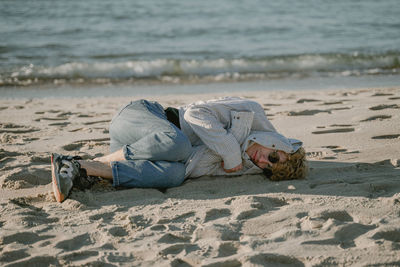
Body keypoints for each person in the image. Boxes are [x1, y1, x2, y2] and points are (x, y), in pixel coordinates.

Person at [51, 97, 307, 203]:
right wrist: (229, 150)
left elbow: (192, 167)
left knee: (175, 176)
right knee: (180, 144)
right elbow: (196, 112)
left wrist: (229, 156)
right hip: (141, 117)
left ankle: (80, 168)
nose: (264, 162)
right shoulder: (252, 111)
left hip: (139, 149)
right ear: (281, 143)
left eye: (269, 169)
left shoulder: (250, 165)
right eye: (274, 156)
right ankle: (96, 160)